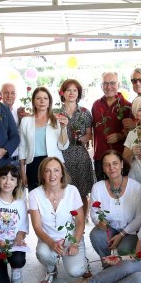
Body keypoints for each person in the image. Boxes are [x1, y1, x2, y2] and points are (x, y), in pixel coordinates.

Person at [29, 157, 87, 283]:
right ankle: (51, 269)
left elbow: (80, 222)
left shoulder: (72, 191)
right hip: (48, 239)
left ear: (62, 173)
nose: (52, 175)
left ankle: (82, 258)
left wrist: (74, 243)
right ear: (42, 174)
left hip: (70, 238)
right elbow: (37, 227)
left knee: (76, 272)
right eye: (47, 171)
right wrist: (51, 243)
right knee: (42, 253)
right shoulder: (34, 194)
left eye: (56, 170)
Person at [89, 151, 141, 263]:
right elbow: (94, 213)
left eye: (115, 163)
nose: (111, 168)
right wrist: (99, 222)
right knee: (96, 235)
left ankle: (123, 268)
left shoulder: (135, 187)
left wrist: (121, 235)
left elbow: (140, 218)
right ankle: (106, 263)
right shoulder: (97, 187)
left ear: (122, 164)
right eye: (107, 165)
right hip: (109, 229)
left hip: (130, 231)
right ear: (103, 168)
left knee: (124, 249)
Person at [18, 87, 69, 191]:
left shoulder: (57, 120)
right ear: (33, 102)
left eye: (45, 98)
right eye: (38, 98)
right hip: (33, 164)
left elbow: (63, 146)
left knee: (55, 195)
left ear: (49, 102)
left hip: (53, 164)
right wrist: (23, 172)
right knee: (35, 196)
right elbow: (22, 147)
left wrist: (63, 128)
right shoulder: (26, 121)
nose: (42, 101)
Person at [58, 79, 95, 213]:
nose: (71, 93)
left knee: (82, 193)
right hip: (61, 154)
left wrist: (78, 139)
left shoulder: (85, 112)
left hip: (80, 154)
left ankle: (82, 221)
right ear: (62, 93)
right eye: (68, 90)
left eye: (75, 90)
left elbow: (89, 135)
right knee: (62, 192)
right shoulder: (56, 112)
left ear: (79, 93)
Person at [91, 72, 134, 181]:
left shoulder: (128, 106)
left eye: (112, 83)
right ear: (101, 86)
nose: (109, 87)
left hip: (119, 158)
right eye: (105, 83)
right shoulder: (96, 105)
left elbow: (134, 134)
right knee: (101, 188)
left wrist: (120, 136)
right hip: (100, 158)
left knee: (120, 189)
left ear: (119, 85)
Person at [0, 83, 21, 165]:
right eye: (6, 93)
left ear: (16, 95)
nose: (9, 96)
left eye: (12, 93)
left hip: (18, 160)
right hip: (2, 160)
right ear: (0, 94)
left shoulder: (19, 113)